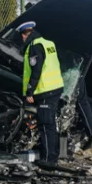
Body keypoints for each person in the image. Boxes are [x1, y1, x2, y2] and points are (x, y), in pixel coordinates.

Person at [19, 21, 65, 165]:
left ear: (25, 34)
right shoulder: (47, 43)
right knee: (51, 124)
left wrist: (30, 91)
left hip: (45, 90)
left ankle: (48, 159)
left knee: (45, 125)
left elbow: (36, 70)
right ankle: (54, 156)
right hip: (55, 88)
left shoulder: (34, 46)